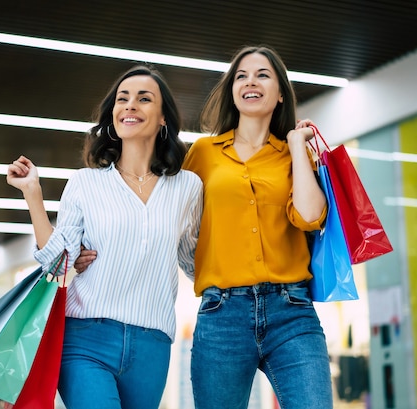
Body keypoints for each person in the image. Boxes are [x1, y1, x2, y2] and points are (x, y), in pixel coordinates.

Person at [76, 45, 333, 409]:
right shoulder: (203, 154)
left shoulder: (293, 155)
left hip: (291, 310)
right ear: (231, 90)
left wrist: (294, 144)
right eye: (241, 76)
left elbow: (310, 216)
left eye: (263, 75)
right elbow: (158, 212)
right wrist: (92, 251)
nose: (250, 82)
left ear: (279, 94)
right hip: (222, 314)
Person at [6, 65, 202, 409]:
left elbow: (193, 261)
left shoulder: (188, 187)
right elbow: (58, 263)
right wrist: (32, 194)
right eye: (122, 99)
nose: (130, 105)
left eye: (144, 99)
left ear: (163, 119)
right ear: (112, 116)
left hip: (152, 344)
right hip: (86, 338)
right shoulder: (85, 182)